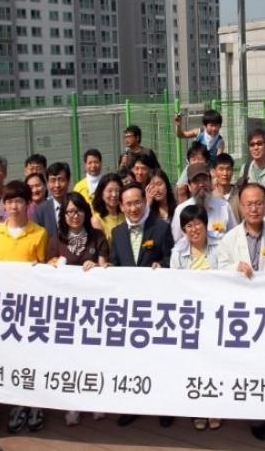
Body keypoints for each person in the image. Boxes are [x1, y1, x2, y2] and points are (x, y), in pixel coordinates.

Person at [216, 181, 265, 442]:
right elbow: (220, 268)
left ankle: (262, 415)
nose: (254, 208)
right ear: (241, 206)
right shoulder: (230, 238)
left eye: (259, 203)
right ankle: (249, 411)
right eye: (249, 204)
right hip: (242, 312)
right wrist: (234, 269)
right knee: (245, 363)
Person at [108, 182, 173, 429]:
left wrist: (162, 265)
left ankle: (164, 407)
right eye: (128, 204)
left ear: (144, 203)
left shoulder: (160, 228)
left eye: (137, 202)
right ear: (121, 206)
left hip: (156, 306)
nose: (133, 207)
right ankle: (131, 406)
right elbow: (114, 265)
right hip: (128, 309)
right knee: (130, 361)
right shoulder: (117, 233)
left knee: (159, 358)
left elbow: (170, 258)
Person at [0, 180, 47, 434]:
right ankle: (17, 404)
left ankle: (35, 405)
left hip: (32, 308)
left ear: (28, 203)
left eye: (18, 200)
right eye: (8, 201)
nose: (13, 206)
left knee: (33, 357)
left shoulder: (39, 233)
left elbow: (43, 271)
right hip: (5, 308)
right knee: (11, 357)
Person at [168, 204, 224, 432]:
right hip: (192, 316)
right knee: (196, 364)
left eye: (197, 223)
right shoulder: (178, 252)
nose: (194, 229)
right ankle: (198, 409)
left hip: (218, 313)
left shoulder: (221, 244)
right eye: (188, 226)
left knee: (216, 363)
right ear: (183, 229)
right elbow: (174, 285)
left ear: (205, 223)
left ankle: (215, 408)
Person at [170, 164, 235, 246]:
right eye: (196, 181)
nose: (201, 184)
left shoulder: (224, 207)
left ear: (210, 182)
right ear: (189, 186)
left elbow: (234, 238)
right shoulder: (180, 210)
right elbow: (175, 242)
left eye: (204, 179)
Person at [47, 192, 109, 272]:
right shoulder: (56, 240)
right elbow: (48, 268)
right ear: (63, 214)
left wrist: (95, 266)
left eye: (79, 210)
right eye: (70, 212)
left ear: (85, 212)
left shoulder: (98, 237)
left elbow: (104, 268)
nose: (76, 216)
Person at [34, 162, 71, 237]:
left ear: (68, 181)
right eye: (53, 181)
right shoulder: (40, 211)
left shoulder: (78, 205)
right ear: (47, 183)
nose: (57, 185)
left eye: (61, 180)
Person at [90, 174, 125, 243]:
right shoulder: (97, 220)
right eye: (110, 191)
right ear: (101, 193)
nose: (114, 194)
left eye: (117, 190)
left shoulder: (126, 214)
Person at [211, 153, 240, 222]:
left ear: (232, 171)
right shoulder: (210, 198)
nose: (225, 173)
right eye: (221, 169)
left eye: (228, 169)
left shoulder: (240, 195)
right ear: (214, 172)